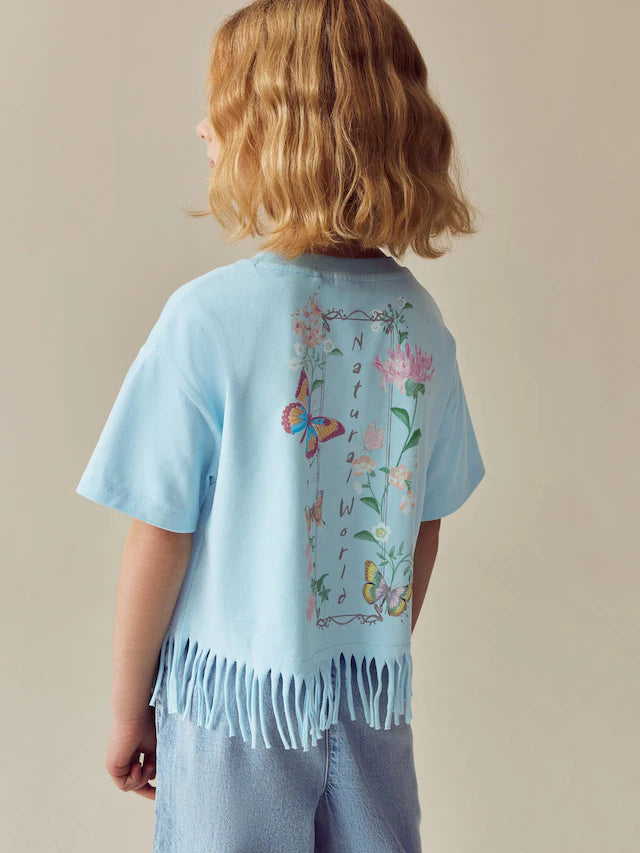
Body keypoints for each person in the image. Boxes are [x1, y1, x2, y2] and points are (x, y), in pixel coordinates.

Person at [75, 1, 487, 850]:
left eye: (221, 108)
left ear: (275, 132)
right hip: (366, 704)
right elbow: (424, 521)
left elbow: (161, 532)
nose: (201, 127)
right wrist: (357, 648)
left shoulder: (209, 318)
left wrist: (126, 710)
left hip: (233, 712)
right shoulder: (419, 322)